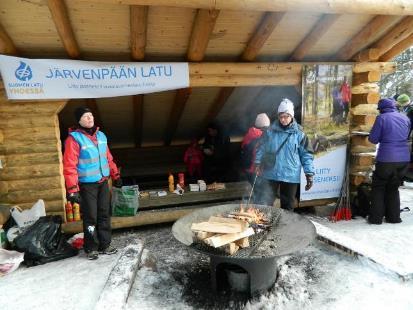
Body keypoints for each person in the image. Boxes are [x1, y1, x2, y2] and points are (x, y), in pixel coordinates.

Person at [63, 107, 122, 260]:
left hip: (103, 182)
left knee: (104, 214)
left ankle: (105, 244)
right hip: (87, 184)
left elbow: (107, 157)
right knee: (91, 217)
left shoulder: (101, 136)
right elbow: (69, 165)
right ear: (79, 120)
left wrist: (115, 175)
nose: (89, 118)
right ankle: (91, 247)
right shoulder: (74, 139)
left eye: (91, 115)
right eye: (85, 116)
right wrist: (72, 189)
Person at [254, 98, 315, 210]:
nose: (283, 119)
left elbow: (306, 155)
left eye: (286, 116)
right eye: (281, 116)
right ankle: (266, 224)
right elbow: (261, 148)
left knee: (288, 205)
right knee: (266, 202)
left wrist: (309, 174)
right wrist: (257, 162)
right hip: (271, 172)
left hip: (290, 174)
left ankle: (286, 226)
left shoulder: (300, 134)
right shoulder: (270, 132)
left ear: (291, 116)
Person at [368, 98, 410, 224]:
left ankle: (376, 219)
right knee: (393, 188)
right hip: (404, 158)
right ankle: (394, 218)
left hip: (386, 158)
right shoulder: (405, 118)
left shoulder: (382, 118)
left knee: (379, 187)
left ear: (381, 109)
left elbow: (373, 139)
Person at [240, 113, 270, 185]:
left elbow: (243, 147)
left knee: (250, 191)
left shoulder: (249, 134)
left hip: (247, 167)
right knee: (259, 193)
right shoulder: (264, 136)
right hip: (258, 170)